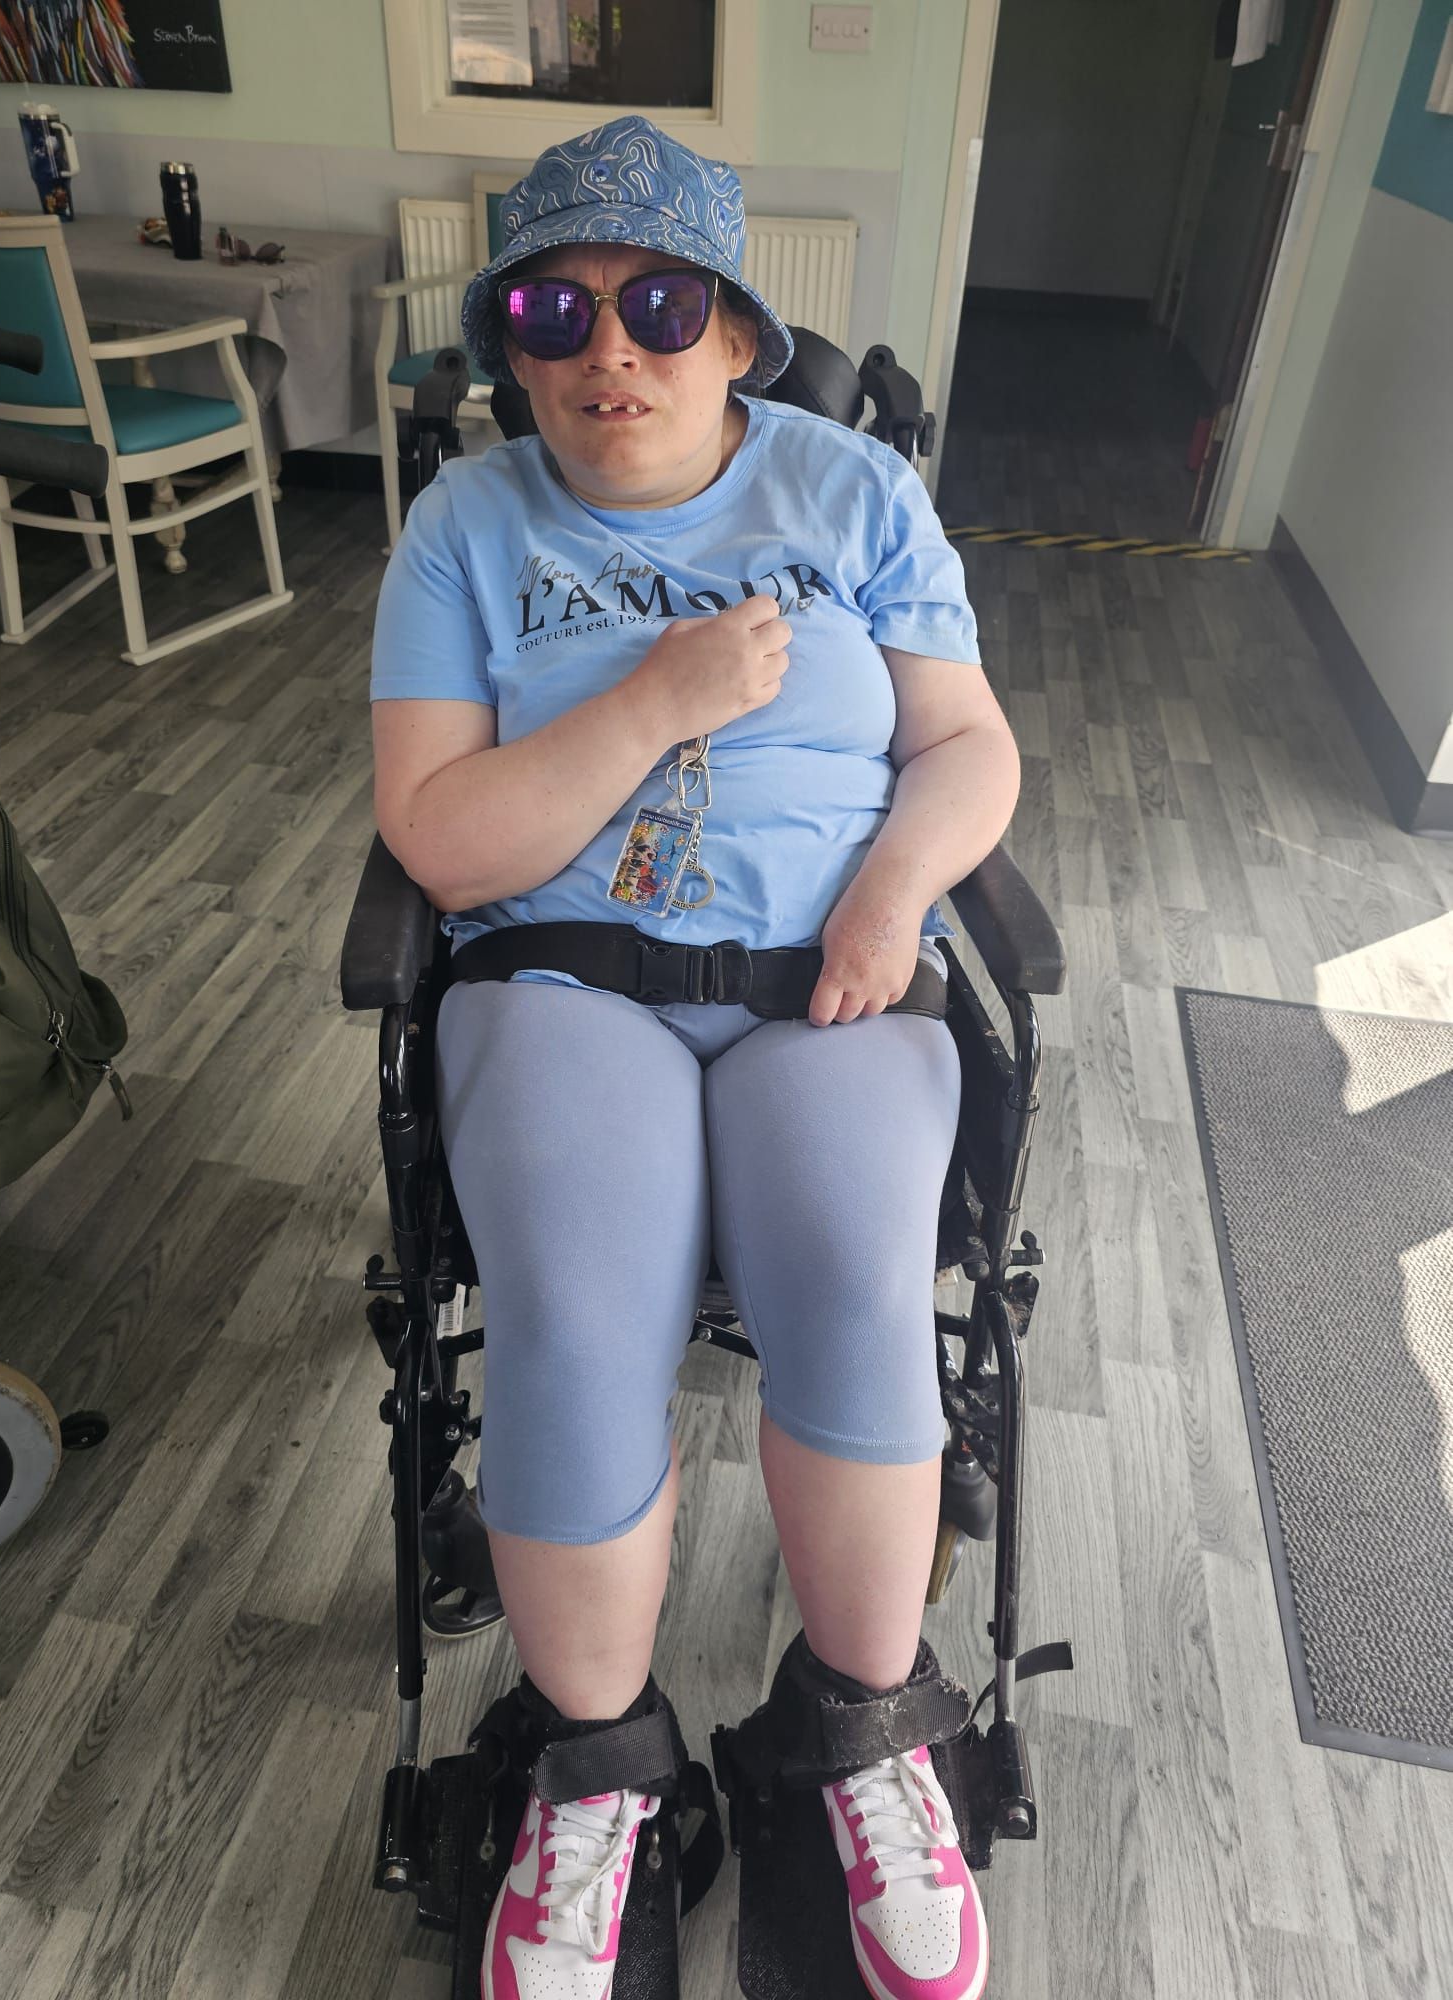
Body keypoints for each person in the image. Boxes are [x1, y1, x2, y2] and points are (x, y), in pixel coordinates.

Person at [370, 115, 1021, 2000]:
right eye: (553, 313)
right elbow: (438, 836)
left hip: (829, 963)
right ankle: (598, 1784)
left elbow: (970, 748)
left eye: (658, 303)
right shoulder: (467, 528)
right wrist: (657, 702)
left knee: (852, 1276)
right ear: (511, 343)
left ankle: (866, 1729)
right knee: (577, 1306)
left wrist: (896, 889)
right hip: (565, 975)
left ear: (736, 330)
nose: (608, 353)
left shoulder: (855, 497)